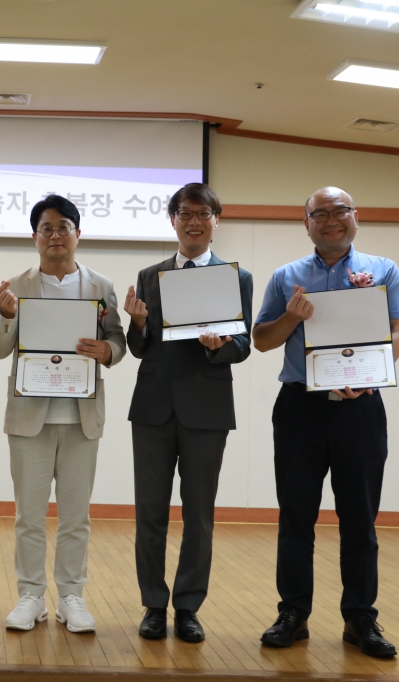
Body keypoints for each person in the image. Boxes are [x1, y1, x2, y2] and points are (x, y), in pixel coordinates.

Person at [252, 186, 399, 658]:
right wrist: (289, 316)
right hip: (300, 406)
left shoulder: (383, 271)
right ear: (307, 224)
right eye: (320, 213)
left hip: (360, 407)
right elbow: (261, 339)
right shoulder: (287, 276)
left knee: (359, 519)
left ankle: (361, 618)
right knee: (295, 515)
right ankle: (293, 614)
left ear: (355, 216)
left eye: (340, 210)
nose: (332, 219)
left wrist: (368, 378)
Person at [0, 194, 125, 634]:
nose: (55, 235)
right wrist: (5, 317)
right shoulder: (16, 285)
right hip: (30, 419)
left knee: (75, 516)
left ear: (78, 234)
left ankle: (71, 596)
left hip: (82, 418)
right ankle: (30, 595)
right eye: (46, 228)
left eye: (64, 226)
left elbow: (117, 341)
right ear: (35, 237)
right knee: (29, 514)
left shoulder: (101, 287)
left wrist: (108, 351)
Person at [122, 183, 253, 643]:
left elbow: (243, 346)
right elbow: (140, 349)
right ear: (172, 220)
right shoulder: (149, 273)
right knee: (150, 512)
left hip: (207, 407)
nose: (193, 221)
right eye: (184, 213)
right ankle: (154, 605)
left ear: (216, 220)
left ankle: (189, 606)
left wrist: (221, 347)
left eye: (202, 214)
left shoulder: (236, 278)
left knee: (199, 514)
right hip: (153, 409)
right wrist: (137, 324)